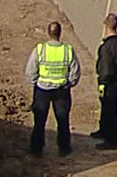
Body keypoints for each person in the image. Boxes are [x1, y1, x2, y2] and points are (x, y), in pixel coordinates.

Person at [24, 21, 81, 156]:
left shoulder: (40, 49)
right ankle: (64, 148)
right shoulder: (67, 50)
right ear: (60, 33)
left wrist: (34, 83)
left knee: (39, 121)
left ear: (48, 33)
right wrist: (69, 83)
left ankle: (36, 149)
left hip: (42, 90)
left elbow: (31, 70)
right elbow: (75, 71)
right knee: (62, 120)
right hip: (61, 91)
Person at [91, 13, 117, 150]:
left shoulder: (107, 47)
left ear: (105, 26)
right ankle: (103, 130)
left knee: (110, 107)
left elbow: (106, 68)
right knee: (107, 106)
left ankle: (111, 139)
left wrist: (102, 81)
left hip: (109, 80)